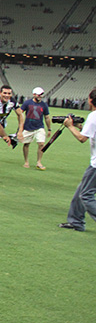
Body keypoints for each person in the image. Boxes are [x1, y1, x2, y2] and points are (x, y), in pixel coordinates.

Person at [58, 89, 96, 232]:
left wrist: (69, 126)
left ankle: (76, 221)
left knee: (86, 195)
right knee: (82, 190)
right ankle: (76, 221)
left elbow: (81, 138)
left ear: (90, 100)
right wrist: (81, 127)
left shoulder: (93, 116)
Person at [18, 87, 52, 170]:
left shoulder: (44, 105)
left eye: (41, 95)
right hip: (28, 127)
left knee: (41, 144)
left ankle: (39, 162)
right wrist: (21, 126)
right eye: (39, 95)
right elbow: (20, 113)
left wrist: (49, 129)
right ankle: (26, 161)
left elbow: (47, 117)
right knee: (26, 144)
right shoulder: (27, 103)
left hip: (39, 127)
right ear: (34, 94)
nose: (40, 96)